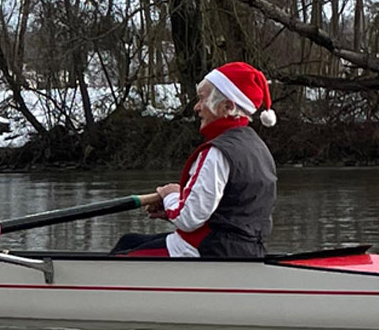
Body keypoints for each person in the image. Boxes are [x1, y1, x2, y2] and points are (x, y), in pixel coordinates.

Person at [111, 61, 277, 258]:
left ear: (227, 106)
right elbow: (229, 209)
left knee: (121, 258)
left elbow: (188, 218)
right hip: (244, 249)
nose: (197, 107)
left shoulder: (217, 151)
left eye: (202, 99)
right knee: (127, 240)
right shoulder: (258, 147)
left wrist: (170, 195)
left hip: (207, 250)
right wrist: (172, 205)